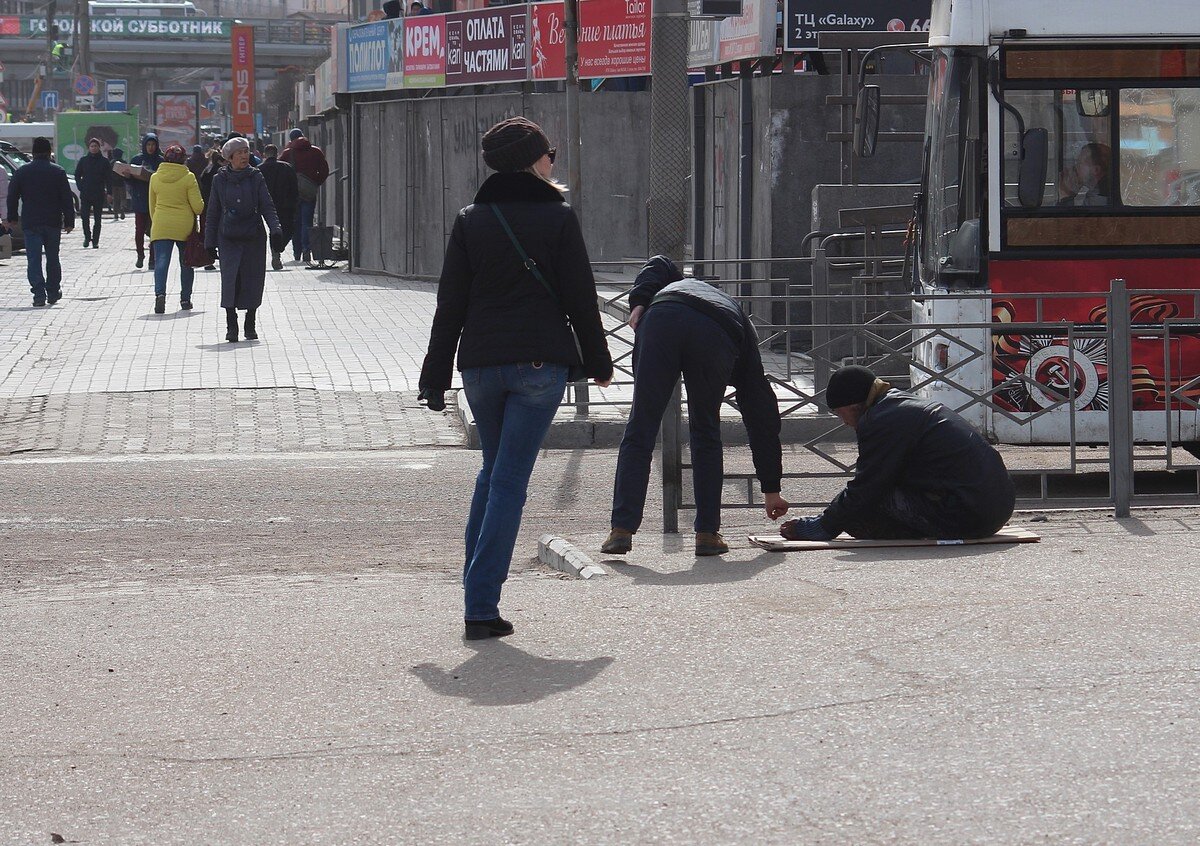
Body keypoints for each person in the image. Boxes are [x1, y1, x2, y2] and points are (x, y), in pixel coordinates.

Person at [418, 116, 613, 640]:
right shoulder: (558, 219)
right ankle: (480, 606)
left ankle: (474, 592)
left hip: (480, 366)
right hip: (537, 367)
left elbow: (449, 305)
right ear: (533, 160)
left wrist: (434, 377)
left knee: (493, 475)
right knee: (507, 481)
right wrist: (599, 362)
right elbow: (579, 296)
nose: (554, 159)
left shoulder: (471, 218)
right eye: (549, 152)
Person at [602, 256, 788, 558]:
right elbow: (760, 413)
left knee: (641, 427)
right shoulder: (736, 314)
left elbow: (658, 262)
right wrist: (771, 489)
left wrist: (639, 301)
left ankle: (620, 530)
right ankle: (706, 533)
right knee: (705, 430)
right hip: (715, 330)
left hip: (660, 320)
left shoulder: (670, 287)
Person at [781, 366, 1016, 542]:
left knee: (858, 512)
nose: (843, 422)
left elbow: (868, 485)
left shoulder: (881, 421)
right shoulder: (899, 406)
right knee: (856, 508)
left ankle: (919, 533)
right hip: (993, 507)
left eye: (839, 414)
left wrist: (823, 525)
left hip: (971, 514)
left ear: (853, 406)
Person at [204, 136, 281, 343]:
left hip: (253, 236)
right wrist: (209, 242)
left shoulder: (256, 176)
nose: (244, 156)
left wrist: (276, 229)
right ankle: (231, 324)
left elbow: (267, 205)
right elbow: (213, 212)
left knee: (253, 279)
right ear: (229, 157)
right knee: (230, 280)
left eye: (246, 152)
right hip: (228, 238)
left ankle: (250, 322)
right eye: (239, 153)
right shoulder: (219, 180)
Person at [6, 136, 75, 307]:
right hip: (52, 221)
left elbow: (12, 196)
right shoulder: (58, 171)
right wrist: (69, 221)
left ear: (33, 152)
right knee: (52, 258)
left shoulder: (22, 172)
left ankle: (38, 294)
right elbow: (66, 198)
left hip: (31, 222)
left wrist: (12, 217)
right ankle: (52, 292)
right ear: (49, 151)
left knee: (34, 259)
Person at [148, 143, 204, 315]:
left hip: (161, 224)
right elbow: (198, 207)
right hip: (184, 227)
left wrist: (157, 220)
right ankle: (185, 299)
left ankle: (160, 295)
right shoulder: (189, 177)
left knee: (161, 263)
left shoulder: (155, 177)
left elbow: (152, 206)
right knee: (186, 263)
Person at [279, 131, 329, 264]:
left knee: (295, 222)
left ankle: (297, 252)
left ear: (291, 140)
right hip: (309, 192)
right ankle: (307, 249)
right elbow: (324, 170)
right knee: (307, 222)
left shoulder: (288, 153)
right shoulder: (316, 151)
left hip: (293, 193)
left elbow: (280, 171)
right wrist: (315, 182)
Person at [127, 133, 164, 269]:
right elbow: (130, 179)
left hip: (156, 200)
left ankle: (152, 259)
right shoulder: (137, 159)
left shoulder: (161, 161)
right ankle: (140, 254)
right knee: (139, 230)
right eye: (148, 144)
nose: (151, 147)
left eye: (153, 144)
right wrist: (127, 176)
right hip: (140, 198)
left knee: (155, 231)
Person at [258, 143, 298, 271]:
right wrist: (295, 203)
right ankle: (277, 251)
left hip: (266, 205)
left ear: (265, 154)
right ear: (277, 154)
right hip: (285, 204)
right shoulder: (287, 168)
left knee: (273, 230)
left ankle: (276, 252)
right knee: (288, 229)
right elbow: (294, 188)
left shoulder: (259, 169)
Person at [73, 137, 112, 249]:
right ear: (89, 148)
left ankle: (95, 240)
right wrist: (80, 186)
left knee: (97, 219)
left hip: (99, 193)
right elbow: (77, 175)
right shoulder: (84, 160)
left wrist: (109, 193)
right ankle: (87, 236)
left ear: (99, 148)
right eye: (92, 146)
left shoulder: (104, 162)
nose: (94, 148)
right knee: (85, 217)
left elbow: (109, 178)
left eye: (96, 146)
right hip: (86, 193)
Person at [1058, 142, 1112, 206]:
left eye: (1080, 163)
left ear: (1096, 170)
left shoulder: (1099, 198)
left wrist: (1066, 195)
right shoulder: (1099, 191)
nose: (1075, 167)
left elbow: (1072, 216)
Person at [199, 148, 224, 271]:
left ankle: (208, 260)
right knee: (220, 232)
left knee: (207, 233)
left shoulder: (206, 170)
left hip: (206, 205)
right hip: (217, 206)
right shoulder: (219, 172)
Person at [108, 147, 128, 220]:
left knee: (115, 199)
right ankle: (122, 208)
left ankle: (116, 214)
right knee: (123, 198)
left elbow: (108, 174)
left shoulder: (111, 162)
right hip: (122, 183)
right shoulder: (123, 162)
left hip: (113, 184)